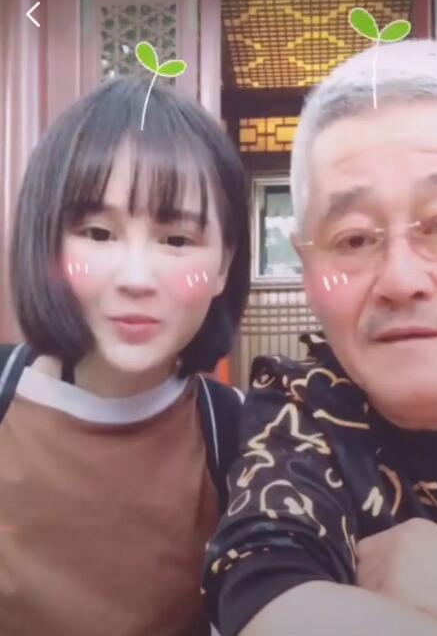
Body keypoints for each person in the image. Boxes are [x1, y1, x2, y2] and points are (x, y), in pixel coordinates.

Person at [202, 40, 437, 636]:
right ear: (307, 268)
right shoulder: (299, 416)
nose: (400, 281)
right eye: (354, 239)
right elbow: (266, 593)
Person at [0, 76, 250, 636]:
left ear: (223, 266)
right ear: (47, 242)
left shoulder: (242, 435)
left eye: (177, 240)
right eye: (97, 233)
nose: (136, 278)